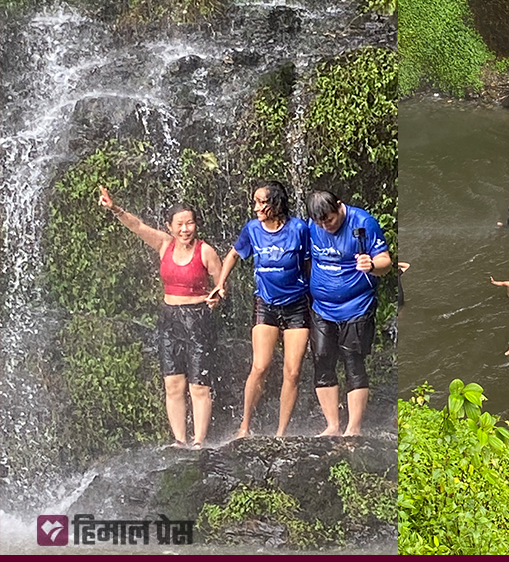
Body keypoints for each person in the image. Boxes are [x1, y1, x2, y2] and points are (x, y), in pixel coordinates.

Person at [99, 187, 221, 448]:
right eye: (180, 224)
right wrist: (115, 209)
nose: (185, 229)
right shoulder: (164, 244)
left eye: (190, 223)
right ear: (170, 226)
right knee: (173, 384)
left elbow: (221, 283)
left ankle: (199, 441)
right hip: (169, 319)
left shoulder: (205, 251)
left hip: (197, 318)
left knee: (199, 385)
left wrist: (217, 296)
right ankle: (180, 440)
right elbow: (139, 227)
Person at [212, 180, 310, 438]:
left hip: (297, 304)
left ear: (275, 203)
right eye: (254, 201)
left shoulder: (299, 228)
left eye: (261, 202)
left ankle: (281, 433)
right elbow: (233, 255)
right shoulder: (252, 230)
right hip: (266, 303)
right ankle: (244, 426)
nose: (255, 207)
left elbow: (310, 263)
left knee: (293, 370)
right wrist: (221, 284)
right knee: (260, 366)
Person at [304, 191, 392, 437]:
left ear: (339, 207)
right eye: (320, 222)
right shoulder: (313, 225)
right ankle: (332, 425)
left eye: (329, 220)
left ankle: (353, 429)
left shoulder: (363, 222)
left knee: (353, 361)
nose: (325, 226)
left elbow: (386, 260)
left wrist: (372, 265)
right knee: (322, 361)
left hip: (357, 305)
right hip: (321, 307)